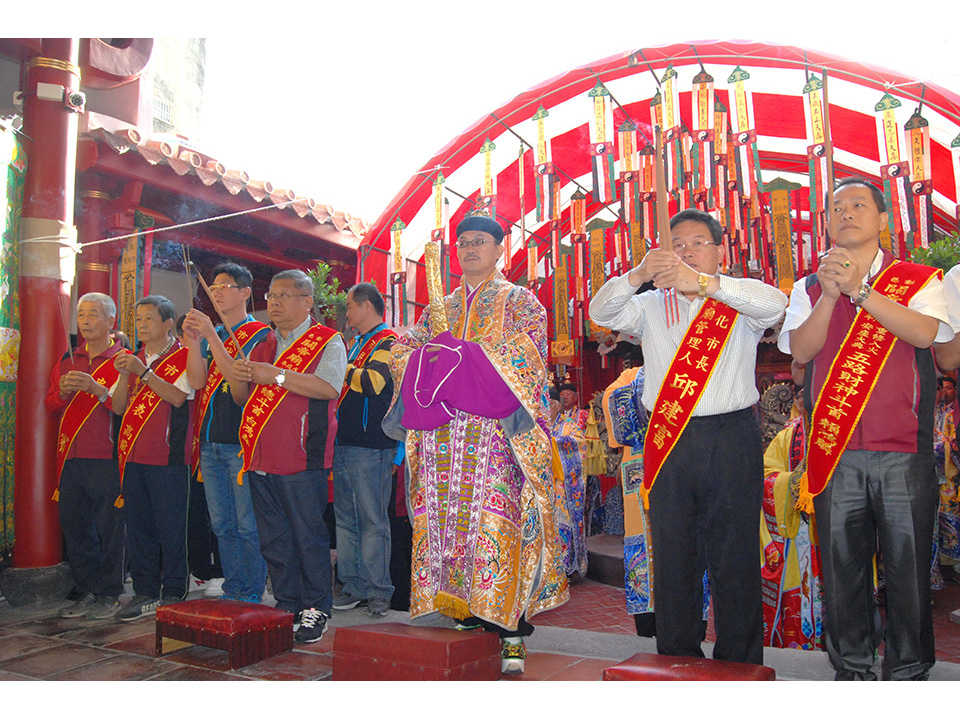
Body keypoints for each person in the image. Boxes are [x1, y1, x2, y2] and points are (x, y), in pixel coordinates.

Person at [590, 207, 786, 665]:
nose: (687, 251)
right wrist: (640, 273)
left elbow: (775, 305)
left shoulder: (738, 299)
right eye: (677, 244)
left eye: (698, 242)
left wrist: (705, 285)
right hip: (671, 436)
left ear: (719, 250)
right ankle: (677, 655)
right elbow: (603, 310)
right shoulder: (650, 306)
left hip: (732, 435)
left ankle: (739, 660)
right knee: (675, 551)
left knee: (734, 553)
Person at [779, 177, 952, 680]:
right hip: (834, 453)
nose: (846, 213)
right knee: (842, 571)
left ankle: (909, 670)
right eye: (836, 207)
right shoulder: (809, 287)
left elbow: (926, 334)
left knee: (908, 568)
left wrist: (862, 290)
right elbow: (801, 352)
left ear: (882, 220)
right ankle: (851, 668)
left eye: (859, 205)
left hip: (904, 450)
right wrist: (832, 298)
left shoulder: (919, 279)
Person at [383, 212, 569, 674]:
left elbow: (526, 359)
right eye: (463, 242)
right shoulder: (436, 309)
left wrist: (459, 359)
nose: (469, 249)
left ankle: (511, 631)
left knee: (500, 524)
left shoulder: (521, 302)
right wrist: (432, 358)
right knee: (449, 526)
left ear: (499, 249)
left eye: (480, 241)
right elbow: (402, 355)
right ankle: (465, 612)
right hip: (443, 439)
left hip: (495, 437)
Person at [230, 269, 347, 643]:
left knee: (307, 535)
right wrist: (238, 372)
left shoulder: (328, 341)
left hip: (302, 458)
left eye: (284, 296)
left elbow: (329, 387)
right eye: (271, 297)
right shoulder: (262, 342)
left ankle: (315, 606)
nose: (275, 303)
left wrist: (276, 375)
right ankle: (287, 602)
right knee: (274, 538)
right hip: (260, 458)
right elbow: (242, 399)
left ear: (307, 301)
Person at [182, 263, 270, 604]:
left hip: (241, 441)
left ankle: (253, 589)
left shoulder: (261, 334)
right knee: (221, 524)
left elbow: (240, 381)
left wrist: (212, 335)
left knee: (247, 524)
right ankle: (235, 588)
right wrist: (194, 341)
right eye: (214, 286)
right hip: (210, 439)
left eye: (225, 286)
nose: (216, 291)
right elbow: (197, 381)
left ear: (245, 293)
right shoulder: (210, 333)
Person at [112, 295, 195, 621]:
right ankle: (145, 591)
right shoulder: (132, 358)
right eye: (139, 319)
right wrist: (123, 373)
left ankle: (175, 590)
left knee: (172, 527)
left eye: (148, 319)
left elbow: (177, 397)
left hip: (169, 456)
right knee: (139, 528)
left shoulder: (184, 356)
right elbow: (119, 407)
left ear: (167, 323)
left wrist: (143, 372)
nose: (142, 325)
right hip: (132, 456)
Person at [45, 293, 126, 620]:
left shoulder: (123, 360)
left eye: (94, 314)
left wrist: (97, 390)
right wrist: (63, 392)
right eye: (81, 315)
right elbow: (50, 405)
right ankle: (87, 588)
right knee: (76, 527)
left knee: (109, 527)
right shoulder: (67, 359)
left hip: (107, 457)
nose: (87, 321)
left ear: (111, 322)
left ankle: (109, 592)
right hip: (70, 459)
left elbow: (124, 408)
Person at [332, 282, 398, 617]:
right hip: (343, 442)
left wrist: (336, 367)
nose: (347, 313)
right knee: (345, 520)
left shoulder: (389, 342)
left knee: (373, 520)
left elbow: (373, 383)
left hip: (372, 445)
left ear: (367, 306)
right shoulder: (354, 343)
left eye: (350, 306)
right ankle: (352, 585)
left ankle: (378, 591)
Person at [759, 366, 823, 650]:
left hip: (831, 531)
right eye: (801, 396)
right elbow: (765, 476)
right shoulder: (787, 436)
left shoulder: (837, 433)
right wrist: (792, 483)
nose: (805, 401)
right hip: (797, 532)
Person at [551, 379, 588, 575]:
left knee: (562, 524)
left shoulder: (569, 425)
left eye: (549, 405)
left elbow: (580, 445)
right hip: (543, 484)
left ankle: (564, 568)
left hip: (563, 487)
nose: (545, 409)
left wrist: (555, 443)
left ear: (558, 406)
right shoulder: (538, 424)